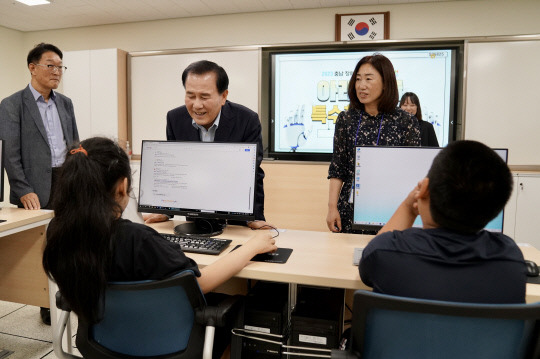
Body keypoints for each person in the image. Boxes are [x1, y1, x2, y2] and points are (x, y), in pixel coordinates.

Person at [42, 137, 277, 357]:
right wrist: (251, 247)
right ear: (122, 187)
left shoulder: (58, 232)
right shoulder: (136, 239)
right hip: (173, 346)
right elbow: (199, 284)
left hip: (102, 343)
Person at [359, 140, 526, 304]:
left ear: (424, 190)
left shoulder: (385, 252)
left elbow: (368, 264)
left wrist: (408, 208)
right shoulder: (511, 260)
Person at [0, 42, 79, 325]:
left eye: (60, 66)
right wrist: (22, 190)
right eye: (51, 65)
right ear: (32, 68)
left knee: (69, 244)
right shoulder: (11, 105)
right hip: (34, 188)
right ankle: (47, 303)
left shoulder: (65, 103)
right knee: (43, 248)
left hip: (65, 181)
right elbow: (9, 153)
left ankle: (68, 297)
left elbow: (74, 145)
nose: (57, 71)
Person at [145, 60, 271, 229]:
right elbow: (174, 169)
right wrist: (165, 210)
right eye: (190, 96)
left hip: (235, 217)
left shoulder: (247, 120)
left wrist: (254, 217)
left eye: (204, 97)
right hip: (195, 217)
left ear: (224, 96)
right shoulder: (175, 119)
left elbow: (253, 173)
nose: (197, 105)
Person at [327, 54, 420, 233]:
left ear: (386, 83)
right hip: (350, 207)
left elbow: (410, 173)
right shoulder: (346, 119)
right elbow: (338, 168)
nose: (362, 85)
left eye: (369, 79)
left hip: (393, 207)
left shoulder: (406, 121)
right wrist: (332, 207)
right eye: (358, 79)